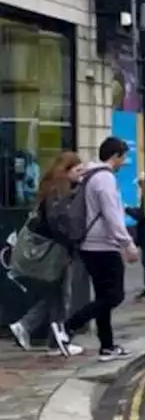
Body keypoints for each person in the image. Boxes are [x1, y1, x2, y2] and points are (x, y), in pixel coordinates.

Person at [64, 137, 139, 361]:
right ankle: (68, 325)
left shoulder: (91, 176)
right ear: (115, 156)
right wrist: (128, 244)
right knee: (114, 296)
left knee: (103, 297)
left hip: (90, 245)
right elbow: (112, 216)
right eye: (123, 157)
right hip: (103, 246)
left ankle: (107, 346)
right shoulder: (105, 179)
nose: (124, 162)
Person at [7, 152, 88, 357]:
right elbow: (58, 223)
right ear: (66, 170)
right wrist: (73, 240)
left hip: (56, 248)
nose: (81, 174)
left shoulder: (55, 187)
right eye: (78, 170)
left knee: (55, 294)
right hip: (55, 250)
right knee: (61, 295)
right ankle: (46, 334)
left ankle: (44, 337)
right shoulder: (58, 191)